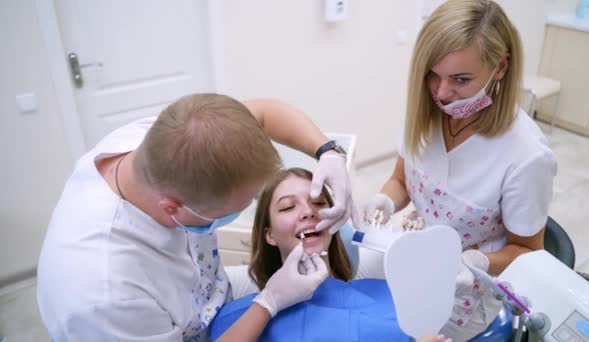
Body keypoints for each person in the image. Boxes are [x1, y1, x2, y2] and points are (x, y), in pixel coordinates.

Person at [37, 94, 352, 341]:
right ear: (172, 207)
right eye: (235, 209)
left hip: (210, 301)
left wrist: (328, 152)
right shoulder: (105, 294)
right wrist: (267, 303)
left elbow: (266, 112)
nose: (308, 212)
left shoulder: (174, 136)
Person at [352, 0, 557, 340]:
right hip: (417, 252)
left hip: (467, 289)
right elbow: (401, 180)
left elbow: (528, 251)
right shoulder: (427, 112)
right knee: (346, 292)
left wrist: (477, 261)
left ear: (501, 67)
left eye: (460, 79)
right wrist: (383, 202)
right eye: (433, 74)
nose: (442, 93)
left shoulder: (527, 156)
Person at [210, 168, 452, 342]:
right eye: (288, 206)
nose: (308, 212)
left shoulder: (394, 302)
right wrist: (268, 303)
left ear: (335, 219)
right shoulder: (237, 319)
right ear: (269, 234)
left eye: (319, 203)